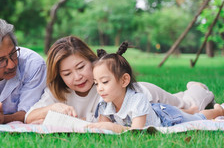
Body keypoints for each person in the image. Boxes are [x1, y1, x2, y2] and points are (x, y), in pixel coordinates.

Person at [25, 36, 215, 124]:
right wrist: (52, 108)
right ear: (59, 76)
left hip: (147, 95)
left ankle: (198, 88)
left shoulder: (107, 85)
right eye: (67, 74)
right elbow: (29, 117)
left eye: (81, 67)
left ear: (93, 61)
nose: (77, 77)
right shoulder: (56, 92)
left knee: (187, 107)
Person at [87, 42, 224, 133]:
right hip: (153, 110)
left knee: (196, 117)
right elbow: (103, 126)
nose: (99, 88)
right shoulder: (104, 103)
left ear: (124, 81)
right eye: (96, 83)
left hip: (165, 117)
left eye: (105, 82)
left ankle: (217, 111)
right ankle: (189, 110)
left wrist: (113, 127)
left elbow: (137, 131)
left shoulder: (137, 99)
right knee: (189, 112)